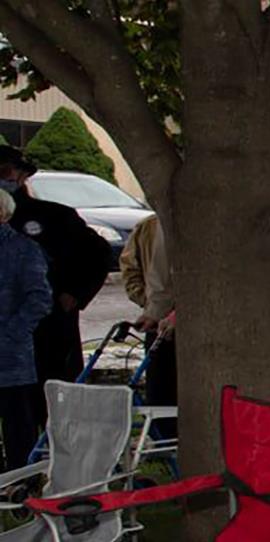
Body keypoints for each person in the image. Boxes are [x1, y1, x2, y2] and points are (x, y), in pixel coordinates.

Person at [1, 147, 109, 432]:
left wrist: (76, 292)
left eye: (4, 172)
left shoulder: (53, 216)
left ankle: (53, 461)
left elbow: (98, 253)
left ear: (21, 175)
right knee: (14, 410)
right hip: (5, 332)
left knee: (52, 402)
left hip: (49, 328)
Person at [0, 189, 51, 470]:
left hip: (10, 357)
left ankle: (22, 481)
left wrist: (12, 333)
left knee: (18, 425)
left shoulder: (23, 249)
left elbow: (40, 299)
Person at [120, 214, 179, 442]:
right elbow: (134, 270)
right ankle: (164, 438)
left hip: (168, 319)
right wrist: (149, 305)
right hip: (161, 323)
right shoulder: (151, 227)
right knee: (162, 389)